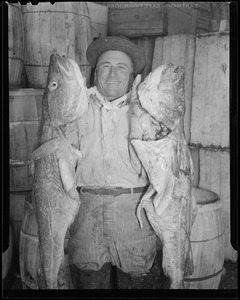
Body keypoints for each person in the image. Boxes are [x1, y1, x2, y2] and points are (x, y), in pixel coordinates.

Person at [68, 36, 167, 289]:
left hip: (133, 212)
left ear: (133, 74)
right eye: (105, 66)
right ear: (95, 71)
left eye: (121, 67)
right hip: (86, 208)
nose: (112, 74)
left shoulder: (147, 109)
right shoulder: (76, 107)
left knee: (137, 280)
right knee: (89, 280)